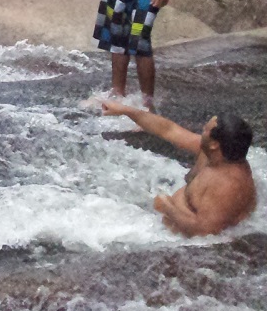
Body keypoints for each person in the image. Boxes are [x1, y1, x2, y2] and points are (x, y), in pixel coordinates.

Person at [101, 100, 256, 237]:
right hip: (166, 226)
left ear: (215, 144)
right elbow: (168, 129)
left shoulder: (229, 185)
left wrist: (167, 208)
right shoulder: (211, 153)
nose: (202, 129)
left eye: (205, 130)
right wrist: (126, 110)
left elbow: (205, 233)